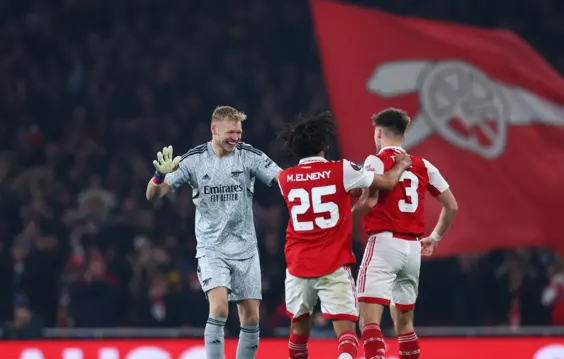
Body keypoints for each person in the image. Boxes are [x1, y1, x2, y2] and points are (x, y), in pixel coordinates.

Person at [145, 106, 282, 359]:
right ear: (214, 129)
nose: (236, 137)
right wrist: (158, 177)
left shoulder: (249, 156)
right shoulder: (194, 160)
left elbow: (284, 181)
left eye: (239, 132)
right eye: (231, 132)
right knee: (219, 309)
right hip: (212, 249)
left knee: (251, 317)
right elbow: (153, 195)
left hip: (246, 249)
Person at [276, 111, 412, 359]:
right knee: (346, 333)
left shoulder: (285, 179)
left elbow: (317, 198)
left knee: (298, 330)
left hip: (298, 265)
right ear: (324, 146)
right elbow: (385, 183)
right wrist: (401, 165)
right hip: (333, 263)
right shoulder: (342, 170)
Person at [352, 108, 459, 359]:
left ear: (378, 132)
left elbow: (368, 202)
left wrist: (345, 220)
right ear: (403, 134)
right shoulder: (424, 165)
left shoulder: (375, 160)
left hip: (383, 244)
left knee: (369, 321)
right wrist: (435, 237)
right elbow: (452, 205)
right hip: (412, 250)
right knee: (405, 325)